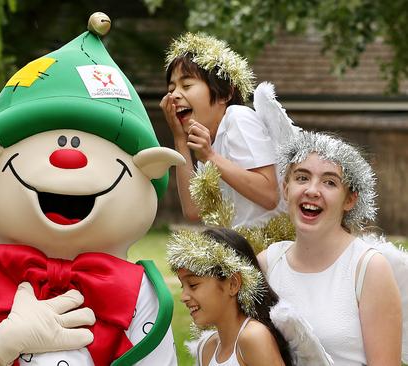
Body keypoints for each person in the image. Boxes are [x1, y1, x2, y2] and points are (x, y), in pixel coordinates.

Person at [258, 131, 402, 365]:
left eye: (329, 182)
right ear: (286, 189)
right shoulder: (268, 263)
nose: (312, 190)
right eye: (302, 178)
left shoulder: (369, 269)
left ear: (350, 200)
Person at [160, 32, 285, 228]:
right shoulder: (209, 143)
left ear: (224, 93)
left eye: (186, 85)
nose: (174, 95)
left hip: (268, 247)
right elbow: (193, 211)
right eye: (171, 89)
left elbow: (269, 195)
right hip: (238, 246)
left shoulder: (237, 117)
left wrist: (210, 156)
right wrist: (180, 140)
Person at [168, 228, 292, 365]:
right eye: (182, 286)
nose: (183, 296)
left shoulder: (253, 337)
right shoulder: (207, 348)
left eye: (193, 285)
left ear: (233, 284)